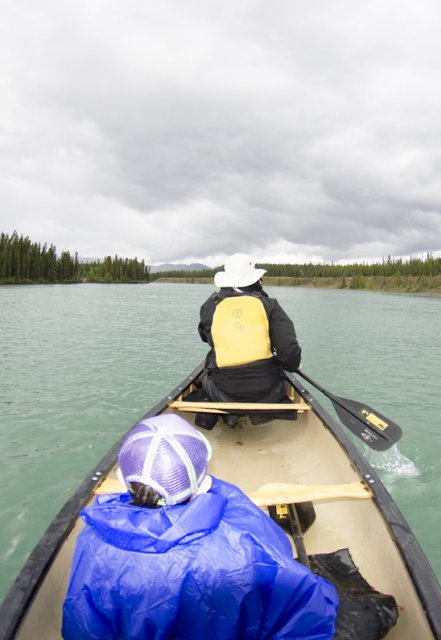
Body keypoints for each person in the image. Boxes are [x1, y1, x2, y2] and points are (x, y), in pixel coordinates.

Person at [62, 413, 338, 640]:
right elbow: (312, 613)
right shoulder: (246, 546)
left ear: (124, 480)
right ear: (202, 483)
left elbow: (80, 627)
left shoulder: (92, 538)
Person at [198, 254, 302, 412]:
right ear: (256, 280)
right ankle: (261, 413)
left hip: (222, 394)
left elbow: (208, 339)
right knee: (279, 373)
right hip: (269, 394)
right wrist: (293, 365)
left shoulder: (210, 306)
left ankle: (229, 414)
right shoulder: (269, 305)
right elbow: (288, 351)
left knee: (207, 372)